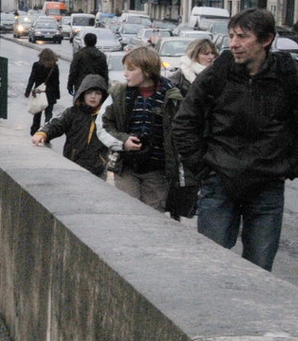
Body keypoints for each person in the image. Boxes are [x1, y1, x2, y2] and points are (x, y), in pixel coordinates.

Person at [172, 8, 298, 270]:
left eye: (243, 37)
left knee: (260, 269)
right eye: (231, 36)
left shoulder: (290, 77)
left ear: (266, 40)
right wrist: (203, 167)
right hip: (219, 181)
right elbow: (184, 123)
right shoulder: (216, 75)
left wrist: (291, 166)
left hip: (267, 183)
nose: (233, 44)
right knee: (213, 266)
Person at [100, 45, 183, 212]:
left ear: (146, 71)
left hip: (158, 171)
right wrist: (124, 141)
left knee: (153, 217)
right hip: (127, 167)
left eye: (131, 69)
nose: (125, 74)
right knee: (129, 213)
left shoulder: (172, 96)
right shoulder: (119, 93)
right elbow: (103, 125)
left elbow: (182, 133)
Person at [161, 37, 218, 219]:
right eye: (205, 53)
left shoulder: (218, 79)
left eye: (212, 53)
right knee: (181, 186)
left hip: (208, 141)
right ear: (195, 55)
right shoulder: (178, 79)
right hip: (183, 142)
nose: (210, 57)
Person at [32, 73, 109, 176]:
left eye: (97, 93)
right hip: (73, 165)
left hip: (97, 169)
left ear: (103, 96)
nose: (93, 96)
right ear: (82, 94)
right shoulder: (73, 113)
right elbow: (57, 124)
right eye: (89, 93)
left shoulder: (107, 116)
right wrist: (43, 133)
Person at [24, 47, 61, 136]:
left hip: (39, 92)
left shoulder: (36, 65)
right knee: (48, 114)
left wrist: (28, 91)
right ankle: (47, 131)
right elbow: (56, 82)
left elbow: (32, 79)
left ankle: (34, 130)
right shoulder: (54, 67)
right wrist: (57, 94)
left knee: (37, 113)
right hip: (50, 93)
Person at [67, 32, 109, 96]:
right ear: (95, 41)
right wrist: (105, 86)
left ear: (85, 41)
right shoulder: (102, 56)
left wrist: (70, 85)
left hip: (81, 85)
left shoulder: (79, 55)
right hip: (96, 85)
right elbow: (105, 73)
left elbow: (73, 71)